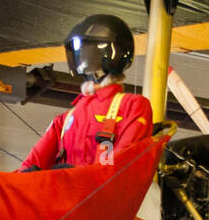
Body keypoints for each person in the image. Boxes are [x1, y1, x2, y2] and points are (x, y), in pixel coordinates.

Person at [20, 15, 153, 171]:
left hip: (99, 193)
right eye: (81, 50)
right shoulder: (64, 120)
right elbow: (28, 167)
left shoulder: (133, 106)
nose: (83, 56)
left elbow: (120, 171)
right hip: (64, 193)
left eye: (90, 49)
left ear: (112, 52)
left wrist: (69, 178)